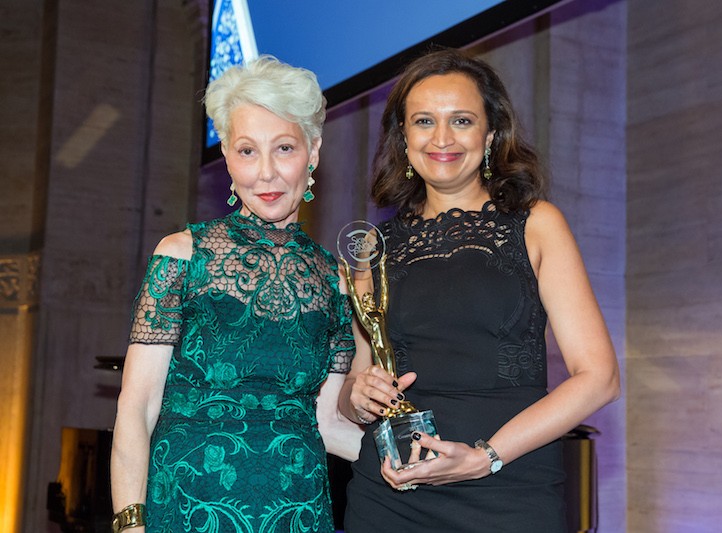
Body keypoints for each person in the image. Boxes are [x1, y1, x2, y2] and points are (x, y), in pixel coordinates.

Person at [339, 48, 620, 532]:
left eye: (462, 120)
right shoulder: (372, 247)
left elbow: (599, 377)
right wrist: (357, 395)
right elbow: (356, 385)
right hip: (391, 496)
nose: (442, 138)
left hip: (509, 490)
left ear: (491, 135)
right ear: (403, 138)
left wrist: (485, 456)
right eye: (424, 121)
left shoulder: (537, 224)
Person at [110, 55, 362, 533]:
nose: (265, 173)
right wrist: (130, 523)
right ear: (226, 154)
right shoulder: (183, 255)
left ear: (314, 151)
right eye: (247, 151)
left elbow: (326, 424)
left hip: (298, 512)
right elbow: (137, 405)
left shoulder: (335, 279)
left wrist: (414, 464)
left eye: (284, 148)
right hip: (186, 509)